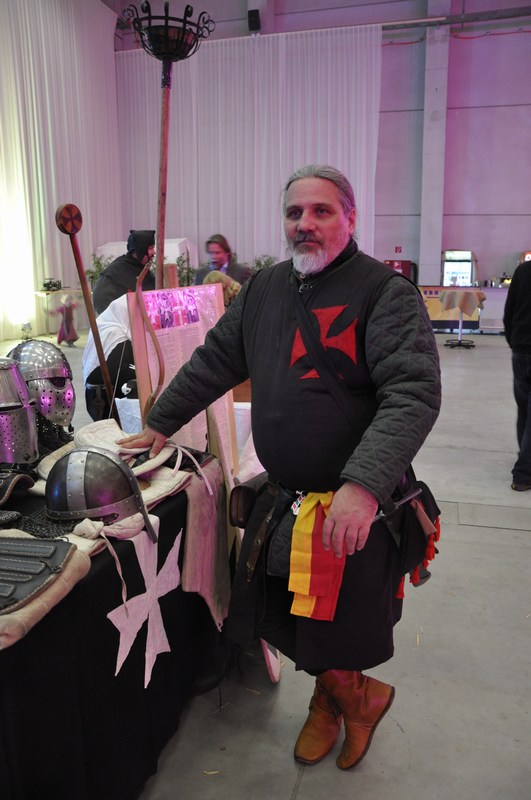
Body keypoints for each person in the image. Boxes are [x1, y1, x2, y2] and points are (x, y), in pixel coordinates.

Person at [118, 165, 441, 771]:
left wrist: (364, 486)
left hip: (351, 501)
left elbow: (413, 394)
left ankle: (340, 702)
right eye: (295, 213)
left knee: (338, 625)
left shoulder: (384, 293)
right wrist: (161, 420)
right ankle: (349, 698)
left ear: (350, 218)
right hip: (286, 498)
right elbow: (216, 360)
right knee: (286, 614)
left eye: (321, 211)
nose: (305, 224)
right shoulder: (265, 289)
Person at [82, 294, 136, 421]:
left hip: (98, 395)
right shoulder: (116, 335)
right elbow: (118, 372)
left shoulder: (105, 324)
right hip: (104, 400)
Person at [503, 256, 531, 491]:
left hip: (521, 350)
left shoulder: (522, 271)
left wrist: (514, 341)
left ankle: (525, 455)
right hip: (521, 347)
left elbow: (509, 311)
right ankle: (523, 474)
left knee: (524, 409)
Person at [92, 230, 156, 315]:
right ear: (141, 249)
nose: (154, 252)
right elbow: (100, 299)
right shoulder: (116, 271)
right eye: (151, 248)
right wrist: (121, 318)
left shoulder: (146, 273)